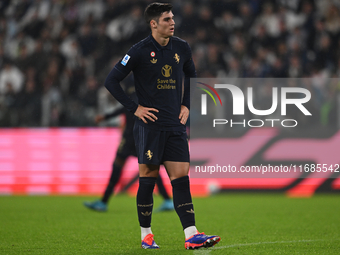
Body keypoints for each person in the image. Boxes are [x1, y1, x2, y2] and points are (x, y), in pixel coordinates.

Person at [104, 2, 220, 250]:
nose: (173, 22)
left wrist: (186, 105)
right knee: (148, 179)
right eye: (167, 19)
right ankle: (146, 233)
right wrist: (134, 108)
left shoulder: (182, 47)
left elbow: (191, 74)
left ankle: (191, 234)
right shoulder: (138, 51)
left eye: (173, 18)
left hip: (175, 126)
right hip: (149, 127)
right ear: (153, 24)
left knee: (181, 178)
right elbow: (111, 81)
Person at [83, 83, 174, 212]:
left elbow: (125, 108)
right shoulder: (147, 95)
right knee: (149, 168)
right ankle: (167, 200)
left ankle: (103, 202)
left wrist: (105, 117)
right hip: (140, 138)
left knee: (121, 167)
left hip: (132, 138)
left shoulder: (134, 95)